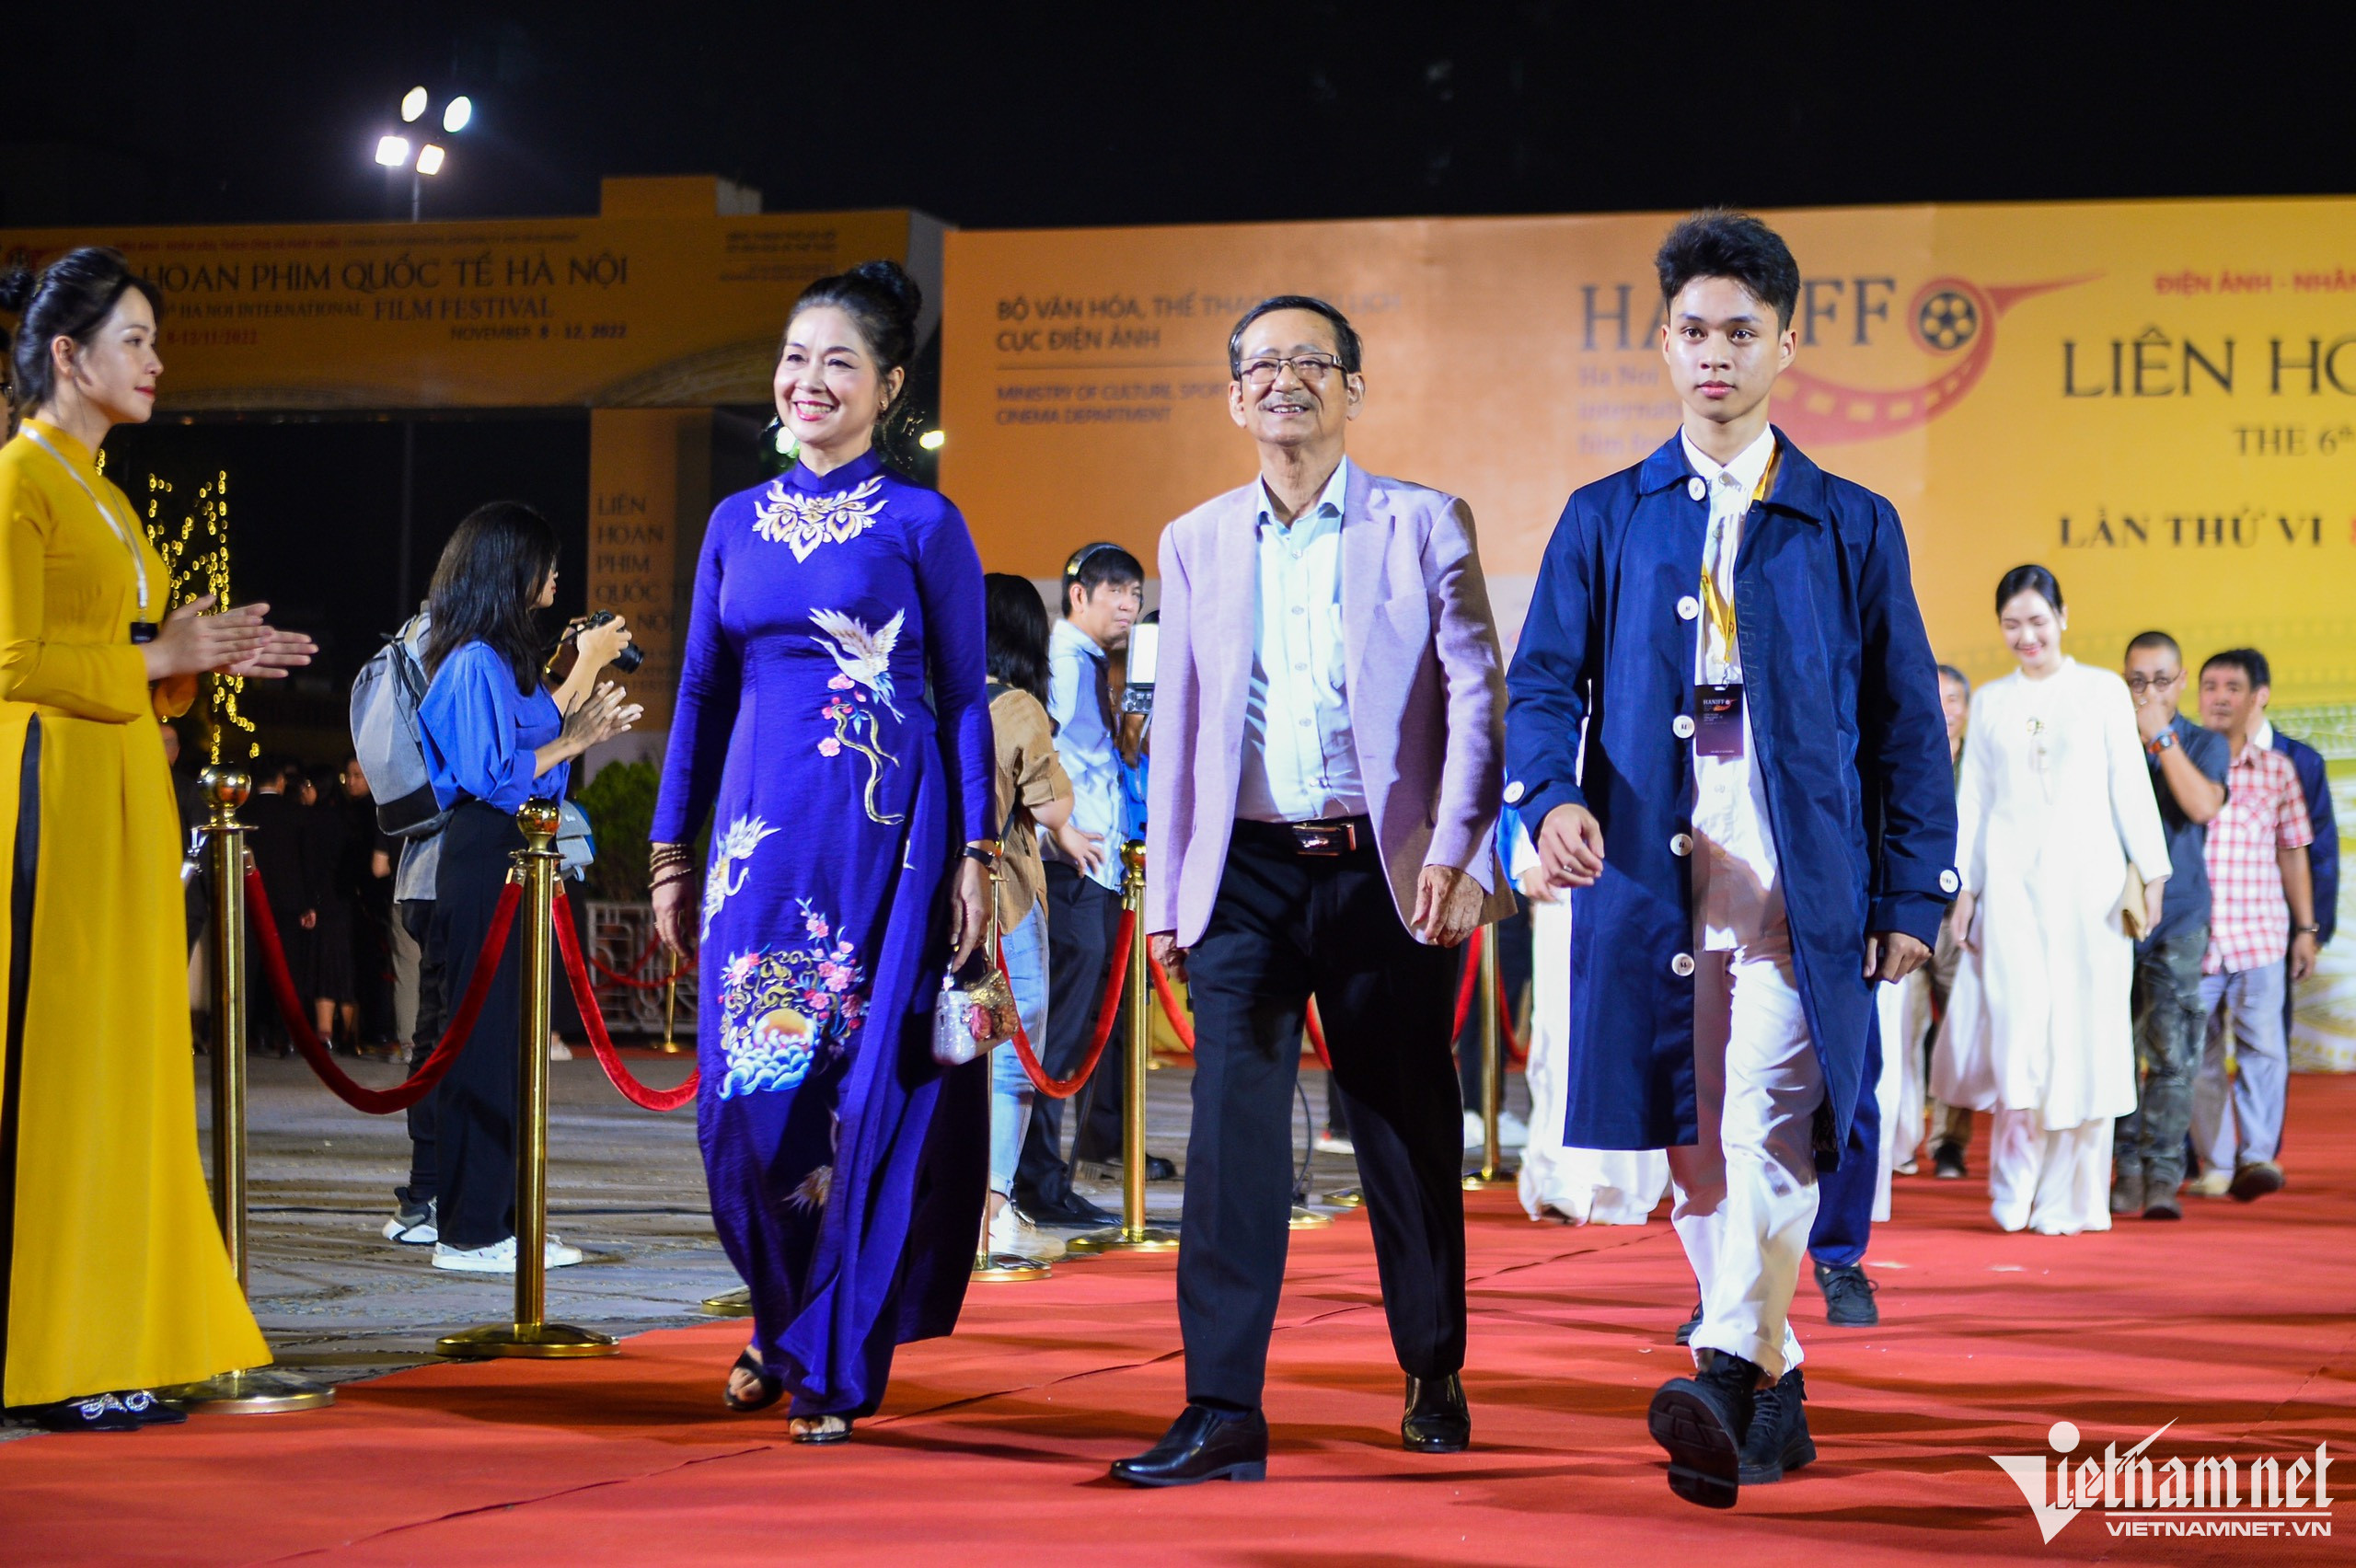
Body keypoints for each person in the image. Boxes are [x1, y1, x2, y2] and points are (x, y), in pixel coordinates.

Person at [1507, 213, 1957, 1507]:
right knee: (1692, 1143)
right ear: (1663, 344)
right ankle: (1770, 1387)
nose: (1715, 354)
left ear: (1786, 347)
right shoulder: (1604, 515)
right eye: (1694, 331)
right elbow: (1541, 687)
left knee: (1766, 1121)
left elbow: (1905, 727)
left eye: (1741, 333)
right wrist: (1547, 799)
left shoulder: (1849, 523)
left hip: (1801, 874)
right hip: (1650, 873)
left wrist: (1912, 889)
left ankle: (1718, 1368)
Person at [1118, 293, 1513, 1488]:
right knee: (1230, 1134)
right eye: (1262, 365)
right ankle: (1221, 1404)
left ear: (1353, 389)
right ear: (1234, 395)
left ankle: (1432, 1366)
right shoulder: (1194, 539)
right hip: (1244, 874)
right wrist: (1170, 899)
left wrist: (1460, 850)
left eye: (1311, 362)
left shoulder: (1422, 522)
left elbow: (1477, 694)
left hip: (1386, 874)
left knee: (1403, 1121)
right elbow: (1181, 729)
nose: (1284, 380)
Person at [649, 260, 994, 1445]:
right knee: (744, 1112)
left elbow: (964, 698)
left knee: (858, 1106)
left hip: (885, 845)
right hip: (755, 851)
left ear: (888, 390)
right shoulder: (732, 524)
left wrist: (976, 851)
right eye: (795, 358)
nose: (808, 380)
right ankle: (783, 1316)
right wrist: (670, 851)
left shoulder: (923, 523)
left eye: (839, 362)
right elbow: (699, 692)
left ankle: (827, 1359)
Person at [0, 247, 313, 1430]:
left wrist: (200, 659)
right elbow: (11, 660)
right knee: (63, 1075)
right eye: (134, 339)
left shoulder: (109, 495)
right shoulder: (18, 482)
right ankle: (49, 1355)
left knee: (128, 1070)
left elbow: (131, 654)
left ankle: (114, 1337)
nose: (157, 362)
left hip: (128, 794)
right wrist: (159, 656)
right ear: (66, 354)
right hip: (55, 800)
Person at [417, 502, 637, 1274]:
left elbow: (541, 737)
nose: (555, 576)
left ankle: (504, 1223)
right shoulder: (472, 660)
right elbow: (492, 776)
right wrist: (574, 737)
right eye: (545, 563)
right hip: (486, 853)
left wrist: (581, 701)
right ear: (509, 570)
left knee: (512, 1045)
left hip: (517, 852)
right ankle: (469, 1231)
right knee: (483, 1045)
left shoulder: (500, 664)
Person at [1935, 565, 2169, 1238]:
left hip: (2090, 894)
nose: (2026, 636)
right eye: (2012, 625)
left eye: (2037, 621)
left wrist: (2153, 874)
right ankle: (2014, 1187)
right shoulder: (1992, 701)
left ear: (2063, 617)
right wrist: (1964, 888)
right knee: (2019, 1034)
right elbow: (1974, 802)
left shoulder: (2101, 691)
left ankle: (2073, 1198)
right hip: (2011, 892)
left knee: (2083, 1036)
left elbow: (2130, 785)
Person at [1012, 541, 1143, 1228]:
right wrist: (1060, 831)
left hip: (1098, 867)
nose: (1128, 605)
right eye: (1115, 591)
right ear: (1078, 596)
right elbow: (1040, 756)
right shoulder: (1063, 663)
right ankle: (1035, 1182)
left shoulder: (1091, 664)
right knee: (1058, 1033)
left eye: (1136, 594)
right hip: (1072, 872)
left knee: (1077, 1030)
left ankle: (1048, 1177)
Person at [981, 571, 1102, 1258]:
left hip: (930, 902)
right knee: (1011, 1054)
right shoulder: (1017, 705)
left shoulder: (933, 695)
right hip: (1004, 901)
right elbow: (1052, 805)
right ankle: (995, 1208)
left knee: (950, 1052)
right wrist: (1064, 820)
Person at [2187, 649, 2318, 1201]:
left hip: (2260, 934)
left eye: (2232, 687)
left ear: (2256, 698)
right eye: (2210, 686)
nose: (2219, 697)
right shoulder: (2181, 763)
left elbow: (2293, 851)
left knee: (2263, 1049)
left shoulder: (2278, 770)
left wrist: (2306, 929)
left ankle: (2257, 1157)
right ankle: (2216, 1164)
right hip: (2194, 939)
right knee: (2197, 1055)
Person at [2111, 632, 2227, 1219]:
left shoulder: (2203, 742)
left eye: (2160, 681)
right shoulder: (2107, 738)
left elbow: (2203, 806)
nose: (2148, 692)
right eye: (2137, 682)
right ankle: (2125, 1170)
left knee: (2173, 1052)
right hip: (2113, 916)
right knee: (2116, 1049)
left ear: (2181, 681)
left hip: (2179, 917)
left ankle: (2163, 1174)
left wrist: (2160, 737)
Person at [1507, 804, 1669, 1227]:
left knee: (1629, 1029)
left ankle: (1621, 1183)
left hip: (1644, 848)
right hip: (1564, 850)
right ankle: (1561, 1173)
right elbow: (1533, 764)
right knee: (1557, 1029)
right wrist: (1526, 852)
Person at [1925, 665, 1978, 1179]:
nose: (1944, 709)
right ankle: (1893, 1141)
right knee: (1899, 1033)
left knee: (1958, 1030)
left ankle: (1949, 1143)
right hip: (1905, 912)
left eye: (1954, 698)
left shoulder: (1981, 763)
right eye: (1934, 696)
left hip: (1960, 915)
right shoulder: (1904, 754)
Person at [242, 758, 310, 1056]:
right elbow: (304, 861)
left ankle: (248, 1032)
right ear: (281, 781)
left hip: (249, 899)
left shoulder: (244, 813)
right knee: (286, 969)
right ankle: (285, 1034)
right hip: (288, 901)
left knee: (249, 969)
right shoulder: (295, 813)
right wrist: (308, 903)